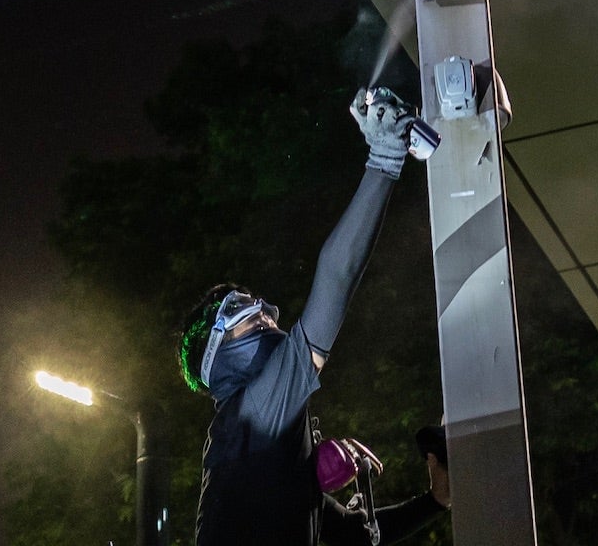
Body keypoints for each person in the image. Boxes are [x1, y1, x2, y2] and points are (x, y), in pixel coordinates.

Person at [177, 88, 451, 546]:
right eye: (249, 313)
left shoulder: (253, 444)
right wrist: (384, 158)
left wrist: (435, 503)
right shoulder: (251, 415)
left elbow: (352, 536)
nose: (269, 311)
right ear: (224, 357)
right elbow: (334, 279)